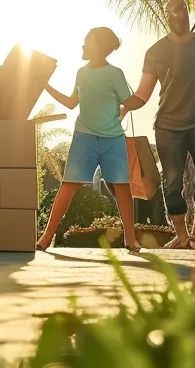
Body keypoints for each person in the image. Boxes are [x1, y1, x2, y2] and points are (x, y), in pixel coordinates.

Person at [128, 0, 195, 250]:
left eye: (181, 9)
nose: (177, 14)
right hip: (168, 125)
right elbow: (143, 93)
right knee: (171, 181)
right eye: (172, 11)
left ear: (187, 12)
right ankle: (181, 234)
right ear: (167, 16)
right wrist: (125, 105)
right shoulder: (155, 51)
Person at [37, 28, 142, 253]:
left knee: (122, 187)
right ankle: (46, 238)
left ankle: (131, 240)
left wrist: (141, 99)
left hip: (113, 139)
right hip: (84, 137)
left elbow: (129, 101)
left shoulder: (115, 73)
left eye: (86, 42)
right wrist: (45, 85)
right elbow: (70, 102)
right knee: (68, 185)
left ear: (98, 45)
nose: (83, 46)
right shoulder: (81, 73)